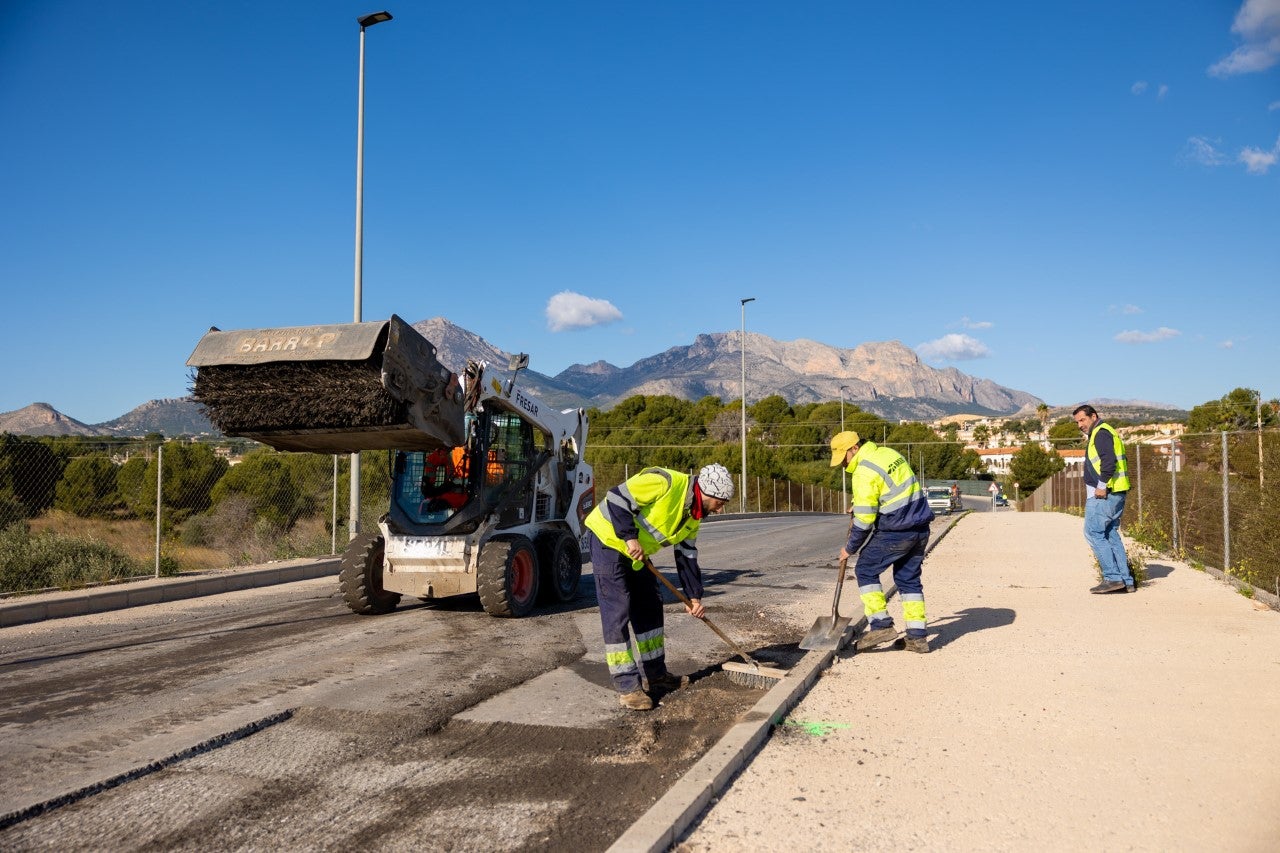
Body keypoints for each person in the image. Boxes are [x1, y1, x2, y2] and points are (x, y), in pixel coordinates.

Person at [583, 463, 734, 711]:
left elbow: (687, 556)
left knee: (650, 604)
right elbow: (616, 497)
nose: (720, 509)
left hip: (637, 554)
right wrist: (629, 537)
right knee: (617, 611)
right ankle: (628, 687)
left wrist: (694, 597)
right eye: (720, 503)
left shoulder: (693, 516)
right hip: (609, 541)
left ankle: (656, 675)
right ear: (707, 493)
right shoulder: (664, 481)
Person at [829, 431, 935, 654]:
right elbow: (888, 488)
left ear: (854, 449)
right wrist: (858, 502)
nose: (842, 464)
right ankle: (917, 637)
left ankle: (881, 625)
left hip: (897, 531)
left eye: (843, 457)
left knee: (865, 569)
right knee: (908, 580)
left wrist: (849, 548)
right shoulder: (887, 454)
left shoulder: (863, 471)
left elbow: (865, 521)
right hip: (920, 528)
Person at [1072, 404, 1134, 594]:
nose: (1080, 425)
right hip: (1116, 492)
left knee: (1093, 533)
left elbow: (1108, 461)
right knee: (1110, 534)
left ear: (1093, 416)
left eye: (1082, 420)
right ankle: (1125, 580)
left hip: (1105, 493)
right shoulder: (1102, 432)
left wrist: (1101, 485)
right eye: (1077, 422)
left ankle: (1112, 578)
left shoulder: (1101, 433)